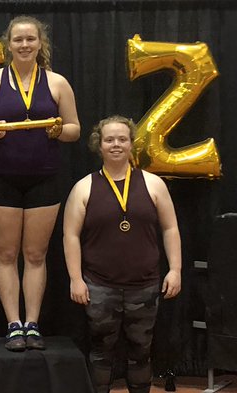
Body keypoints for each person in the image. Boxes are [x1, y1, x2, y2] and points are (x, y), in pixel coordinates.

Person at [0, 15, 80, 351]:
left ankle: (33, 323)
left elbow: (74, 128)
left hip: (44, 179)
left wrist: (59, 130)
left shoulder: (57, 82)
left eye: (31, 39)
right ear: (9, 45)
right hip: (3, 179)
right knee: (5, 253)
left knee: (35, 254)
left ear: (40, 43)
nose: (25, 45)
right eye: (18, 40)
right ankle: (13, 324)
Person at [62, 116, 182, 393]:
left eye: (122, 139)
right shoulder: (83, 188)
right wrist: (75, 279)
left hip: (146, 286)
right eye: (109, 140)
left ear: (131, 144)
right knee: (100, 353)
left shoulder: (154, 184)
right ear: (99, 145)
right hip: (99, 286)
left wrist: (175, 270)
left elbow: (171, 228)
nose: (116, 144)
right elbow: (70, 236)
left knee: (141, 351)